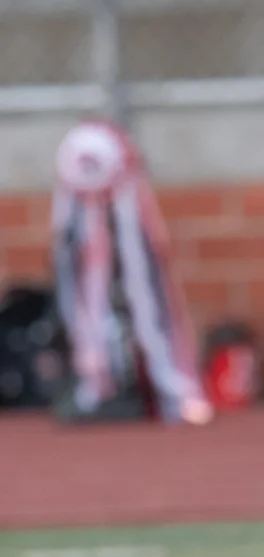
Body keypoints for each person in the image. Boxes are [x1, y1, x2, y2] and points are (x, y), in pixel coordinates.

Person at [51, 119, 212, 425]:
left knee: (147, 291)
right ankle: (94, 386)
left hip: (129, 222)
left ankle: (175, 388)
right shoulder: (74, 175)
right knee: (85, 293)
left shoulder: (124, 180)